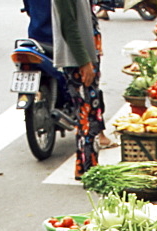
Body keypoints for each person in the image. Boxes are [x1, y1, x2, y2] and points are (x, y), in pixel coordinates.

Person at [51, 0, 105, 179]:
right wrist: (84, 61)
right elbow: (68, 23)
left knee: (91, 112)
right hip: (78, 61)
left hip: (88, 55)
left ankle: (88, 165)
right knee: (86, 113)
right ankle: (87, 167)